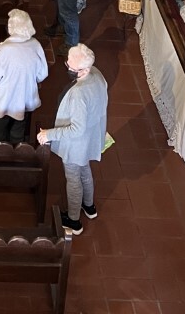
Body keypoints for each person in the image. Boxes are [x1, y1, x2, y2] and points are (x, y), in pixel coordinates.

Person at [37, 42, 108, 235]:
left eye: (71, 67)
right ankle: (89, 207)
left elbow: (76, 129)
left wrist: (48, 134)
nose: (67, 67)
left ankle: (74, 221)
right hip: (91, 136)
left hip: (77, 144)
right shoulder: (97, 74)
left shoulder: (78, 93)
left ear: (84, 70)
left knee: (73, 179)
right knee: (85, 170)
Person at [0, 8, 49, 144]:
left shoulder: (4, 49)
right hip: (25, 98)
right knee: (18, 130)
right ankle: (17, 153)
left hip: (4, 99)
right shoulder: (35, 45)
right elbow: (42, 74)